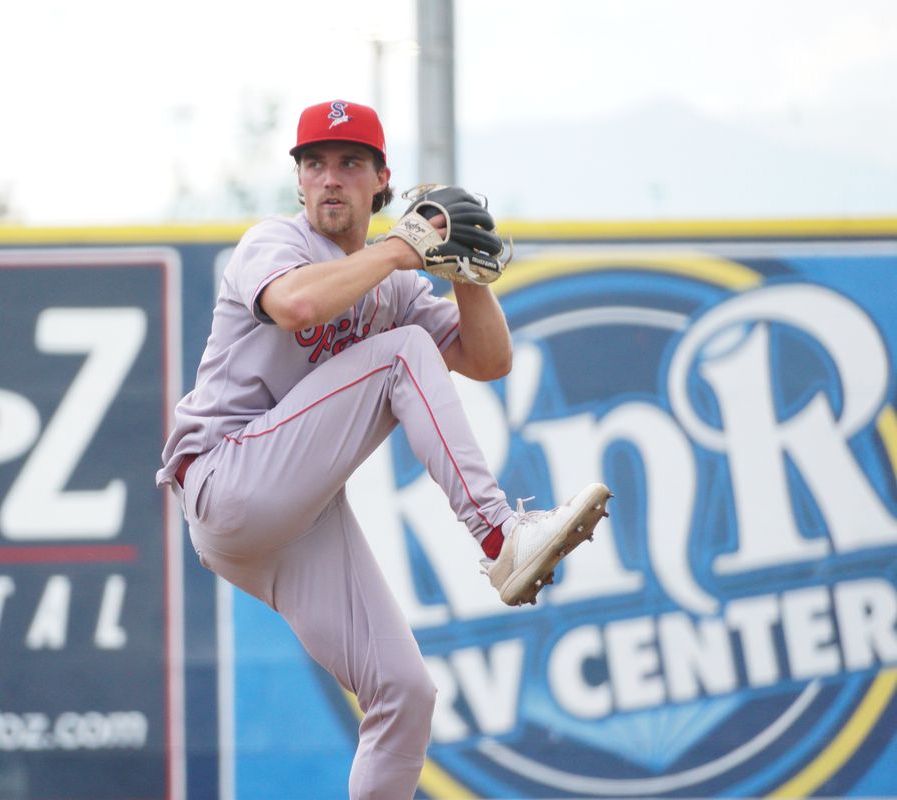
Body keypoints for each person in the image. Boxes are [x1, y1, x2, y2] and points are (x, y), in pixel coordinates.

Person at [157, 99, 611, 799]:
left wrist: (463, 273)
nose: (330, 177)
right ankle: (499, 537)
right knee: (399, 354)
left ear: (382, 181)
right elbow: (298, 307)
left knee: (404, 693)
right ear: (300, 183)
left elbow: (488, 360)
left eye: (349, 163)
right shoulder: (275, 244)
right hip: (225, 477)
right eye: (314, 164)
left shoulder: (394, 283)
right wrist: (406, 247)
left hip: (293, 521)